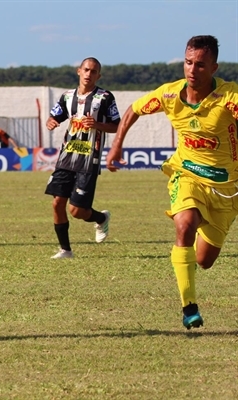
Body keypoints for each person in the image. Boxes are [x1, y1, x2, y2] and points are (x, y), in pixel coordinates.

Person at [106, 35, 238, 329]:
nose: (192, 70)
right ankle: (189, 307)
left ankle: (199, 241)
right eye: (188, 62)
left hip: (228, 190)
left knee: (204, 260)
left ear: (214, 67)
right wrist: (116, 146)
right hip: (187, 174)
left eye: (201, 65)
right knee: (184, 225)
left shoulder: (229, 99)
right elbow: (133, 110)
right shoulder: (168, 95)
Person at [45, 57, 121, 259]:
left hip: (89, 160)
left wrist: (97, 124)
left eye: (93, 71)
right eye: (86, 70)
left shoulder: (105, 98)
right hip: (66, 157)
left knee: (77, 211)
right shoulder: (67, 96)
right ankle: (65, 250)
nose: (89, 74)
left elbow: (117, 125)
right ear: (79, 71)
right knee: (57, 203)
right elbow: (54, 116)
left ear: (98, 75)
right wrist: (51, 121)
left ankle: (101, 217)